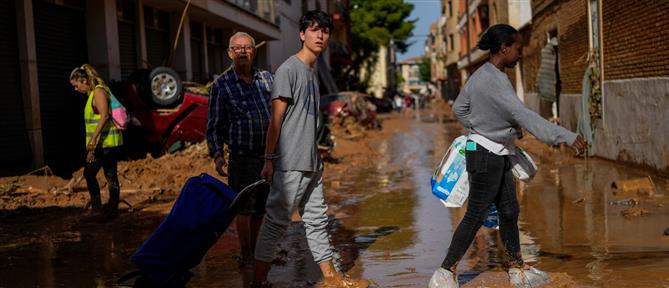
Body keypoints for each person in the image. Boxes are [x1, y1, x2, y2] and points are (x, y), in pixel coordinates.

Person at [429, 24, 586, 288]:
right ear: (504, 48)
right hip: (485, 155)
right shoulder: (493, 80)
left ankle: (517, 269)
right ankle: (445, 273)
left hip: (495, 152)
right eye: (518, 49)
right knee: (476, 213)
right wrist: (567, 137)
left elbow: (459, 108)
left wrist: (480, 127)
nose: (520, 54)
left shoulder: (484, 75)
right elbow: (524, 116)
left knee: (509, 211)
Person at [253, 10, 370, 288]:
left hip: (311, 162)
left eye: (325, 31)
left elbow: (308, 123)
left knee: (318, 221)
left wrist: (318, 156)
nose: (320, 35)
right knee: (275, 223)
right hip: (290, 161)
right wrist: (269, 160)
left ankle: (331, 277)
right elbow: (276, 120)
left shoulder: (311, 72)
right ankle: (257, 283)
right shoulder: (289, 70)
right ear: (302, 34)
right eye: (314, 30)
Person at [206, 32, 273, 268]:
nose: (243, 51)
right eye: (237, 48)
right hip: (241, 156)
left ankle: (255, 250)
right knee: (244, 207)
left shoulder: (267, 80)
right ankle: (246, 254)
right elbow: (214, 125)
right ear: (229, 53)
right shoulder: (221, 85)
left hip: (268, 157)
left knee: (261, 207)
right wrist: (217, 155)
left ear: (254, 52)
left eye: (247, 48)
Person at [70, 64, 124, 221]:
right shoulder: (94, 93)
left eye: (76, 85)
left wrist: (93, 140)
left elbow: (105, 116)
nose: (76, 89)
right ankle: (112, 210)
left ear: (84, 80)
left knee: (89, 173)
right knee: (110, 175)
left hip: (104, 144)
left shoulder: (98, 92)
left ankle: (98, 210)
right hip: (108, 143)